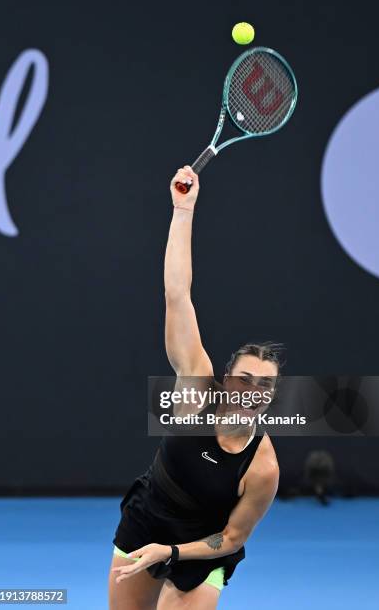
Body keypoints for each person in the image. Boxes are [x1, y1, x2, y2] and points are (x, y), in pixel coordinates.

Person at [108, 166, 280, 610]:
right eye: (244, 379)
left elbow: (232, 537)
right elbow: (177, 294)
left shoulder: (262, 468)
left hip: (202, 550)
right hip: (147, 521)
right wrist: (182, 211)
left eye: (264, 385)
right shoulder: (197, 389)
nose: (252, 390)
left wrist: (174, 554)